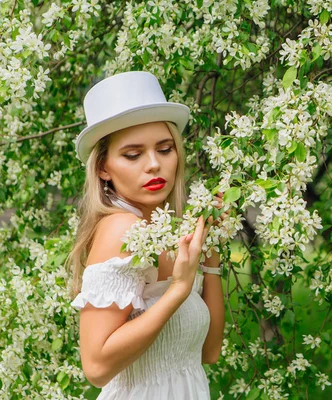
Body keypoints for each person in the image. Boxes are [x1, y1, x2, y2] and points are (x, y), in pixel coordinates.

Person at [66, 71, 225, 399]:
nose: (154, 165)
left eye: (165, 149)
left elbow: (208, 353)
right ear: (103, 168)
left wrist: (210, 253)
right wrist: (179, 288)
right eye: (133, 154)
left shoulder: (166, 229)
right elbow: (96, 368)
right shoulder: (122, 231)